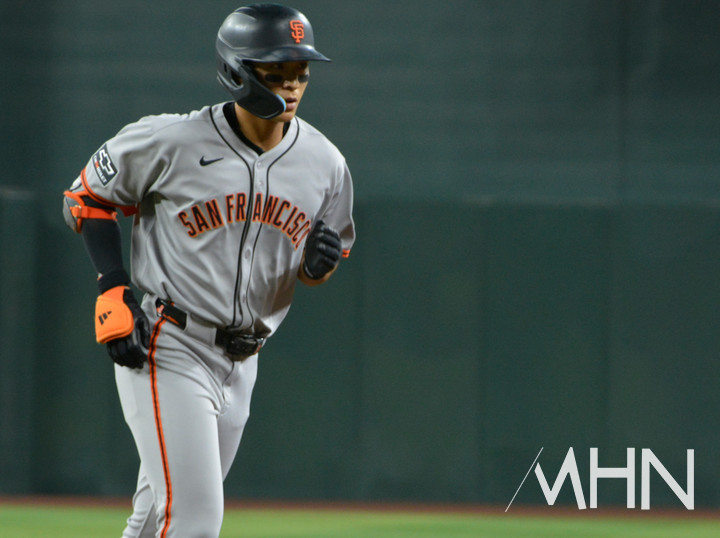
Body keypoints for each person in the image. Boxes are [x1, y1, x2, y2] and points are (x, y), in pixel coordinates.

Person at [61, 4, 355, 536]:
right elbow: (86, 197)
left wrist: (317, 268)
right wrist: (112, 287)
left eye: (300, 72)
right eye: (276, 71)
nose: (292, 84)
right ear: (237, 71)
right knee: (194, 520)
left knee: (155, 519)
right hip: (170, 344)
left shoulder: (326, 163)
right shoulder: (171, 140)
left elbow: (319, 270)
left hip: (244, 361)